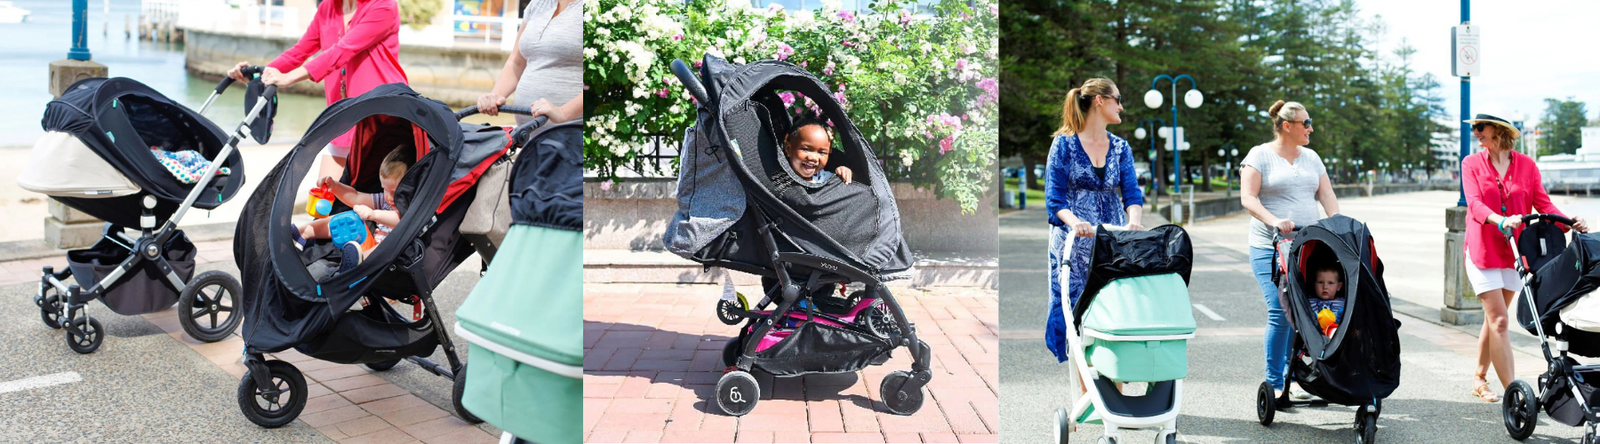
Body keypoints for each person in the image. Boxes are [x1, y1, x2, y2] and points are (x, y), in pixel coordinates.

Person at [1461, 113, 1590, 402]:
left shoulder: (1527, 165)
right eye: (1475, 128)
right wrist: (1500, 220)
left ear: (1499, 130)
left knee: (1494, 320)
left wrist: (1569, 222)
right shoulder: (1471, 163)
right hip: (1482, 249)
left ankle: (1479, 378)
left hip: (1514, 251)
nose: (1476, 132)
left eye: (1481, 127)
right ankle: (1515, 396)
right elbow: (1474, 204)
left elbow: (1543, 203)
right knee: (1499, 320)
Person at [226, 0, 407, 182]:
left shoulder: (383, 5)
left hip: (380, 117)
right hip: (343, 119)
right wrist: (258, 76)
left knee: (375, 195)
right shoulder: (328, 8)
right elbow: (299, 52)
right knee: (322, 196)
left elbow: (342, 50)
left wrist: (289, 78)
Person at [1044, 77, 1146, 373]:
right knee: (1077, 314)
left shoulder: (1120, 147)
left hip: (1110, 240)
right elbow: (1055, 199)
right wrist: (1077, 223)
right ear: (1100, 101)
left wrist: (1134, 221)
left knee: (1114, 311)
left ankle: (1114, 382)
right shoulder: (1064, 144)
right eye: (1117, 99)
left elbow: (1131, 193)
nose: (1121, 107)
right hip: (1074, 242)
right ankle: (1085, 387)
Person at [1240, 100, 1339, 401]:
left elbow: (1326, 195)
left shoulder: (1312, 158)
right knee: (1279, 310)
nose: (1311, 128)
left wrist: (1338, 225)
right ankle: (1274, 382)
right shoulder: (1260, 155)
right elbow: (1248, 198)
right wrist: (1274, 220)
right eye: (1306, 123)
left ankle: (1294, 376)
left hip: (1306, 247)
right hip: (1269, 246)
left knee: (1303, 312)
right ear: (1287, 126)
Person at [294, 146, 413, 270]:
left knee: (388, 245)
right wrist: (335, 187)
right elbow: (356, 197)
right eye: (385, 189)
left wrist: (374, 215)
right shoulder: (385, 201)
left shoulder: (411, 207)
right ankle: (304, 231)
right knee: (350, 219)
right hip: (369, 246)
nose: (388, 197)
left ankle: (355, 265)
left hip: (388, 256)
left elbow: (402, 221)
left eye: (394, 192)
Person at [475, 0, 583, 125]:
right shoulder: (537, 4)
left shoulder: (596, 8)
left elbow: (601, 81)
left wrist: (563, 112)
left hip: (572, 131)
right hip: (527, 132)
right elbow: (516, 62)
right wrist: (495, 96)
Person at [782, 117, 853, 184]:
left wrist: (844, 173)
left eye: (821, 153)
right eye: (806, 149)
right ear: (788, 149)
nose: (813, 158)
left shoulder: (827, 180)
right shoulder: (779, 180)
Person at [1309, 264, 1345, 337]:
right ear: (1314, 285)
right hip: (1315, 335)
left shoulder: (1343, 303)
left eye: (1330, 283)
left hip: (1337, 335)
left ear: (1338, 286)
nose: (1325, 287)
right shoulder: (1309, 302)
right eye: (1320, 282)